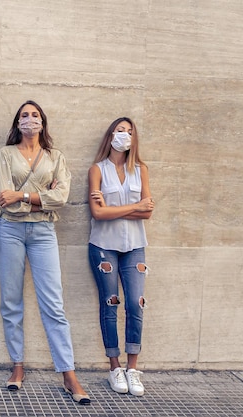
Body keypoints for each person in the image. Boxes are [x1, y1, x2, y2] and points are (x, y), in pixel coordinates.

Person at [0, 100, 90, 405]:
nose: (30, 119)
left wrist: (23, 196)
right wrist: (40, 198)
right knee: (11, 301)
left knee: (54, 304)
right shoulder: (6, 154)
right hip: (10, 230)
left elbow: (61, 198)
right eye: (24, 115)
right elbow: (3, 198)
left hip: (44, 233)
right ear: (17, 122)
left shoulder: (55, 157)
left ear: (43, 122)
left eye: (35, 115)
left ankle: (68, 372)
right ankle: (17, 365)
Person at [87, 117, 154, 397]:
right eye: (120, 130)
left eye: (129, 132)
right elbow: (98, 214)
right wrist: (135, 206)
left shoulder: (141, 170)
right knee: (110, 303)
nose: (124, 135)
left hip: (135, 245)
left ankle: (133, 368)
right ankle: (114, 366)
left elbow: (148, 212)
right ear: (111, 135)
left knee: (136, 305)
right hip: (104, 245)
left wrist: (121, 208)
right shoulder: (97, 170)